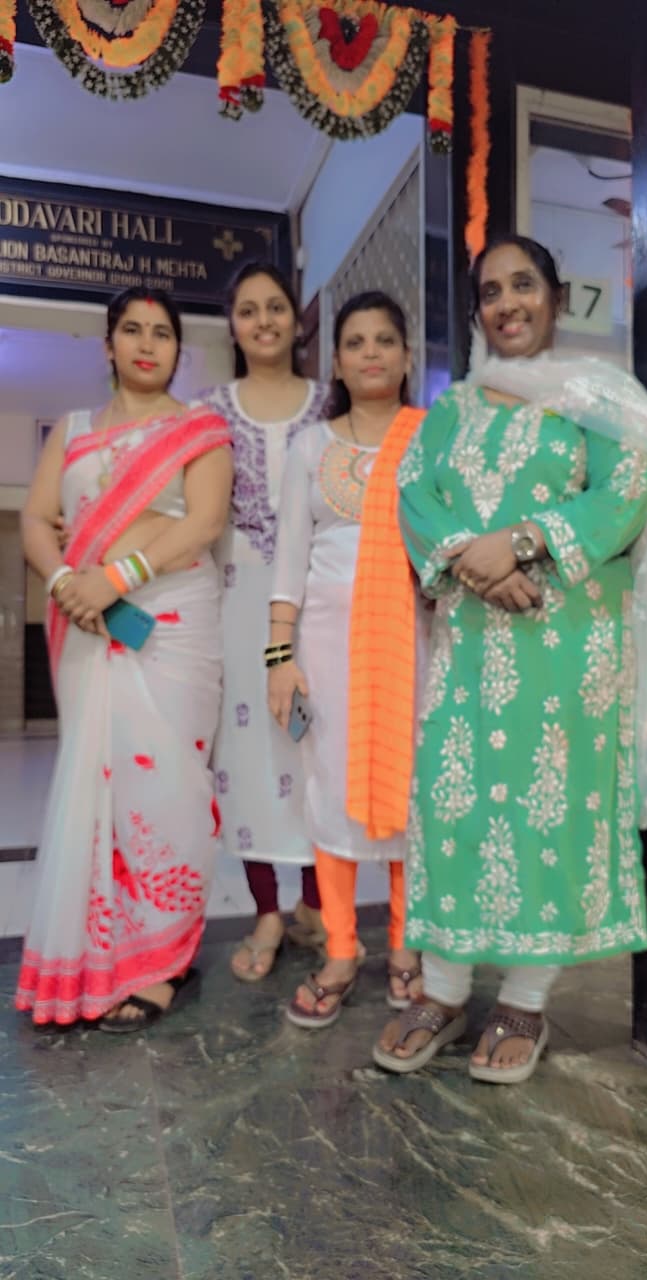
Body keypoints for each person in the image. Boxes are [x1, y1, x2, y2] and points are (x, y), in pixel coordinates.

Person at [374, 235, 647, 1080]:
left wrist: (521, 542)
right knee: (456, 804)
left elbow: (626, 495)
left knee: (546, 811)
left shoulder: (599, 399)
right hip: (472, 647)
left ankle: (525, 1000)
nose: (507, 303)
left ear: (555, 296)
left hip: (568, 649)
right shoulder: (451, 411)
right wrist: (472, 562)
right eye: (491, 292)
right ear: (477, 311)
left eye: (523, 285)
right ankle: (443, 991)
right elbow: (415, 496)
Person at [15, 287, 233, 1031]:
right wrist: (65, 583)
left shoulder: (198, 427)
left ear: (178, 349)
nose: (147, 343)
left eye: (162, 333)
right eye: (132, 331)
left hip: (171, 624)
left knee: (166, 785)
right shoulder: (72, 430)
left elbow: (204, 521)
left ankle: (163, 960)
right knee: (95, 784)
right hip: (85, 621)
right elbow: (36, 519)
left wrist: (116, 577)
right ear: (108, 345)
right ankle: (94, 953)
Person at [268, 291, 427, 1027]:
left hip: (413, 642)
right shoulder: (311, 447)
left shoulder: (429, 440)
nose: (371, 353)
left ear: (406, 356)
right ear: (335, 361)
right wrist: (280, 655)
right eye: (356, 342)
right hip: (326, 649)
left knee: (409, 789)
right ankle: (340, 947)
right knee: (328, 789)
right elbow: (290, 560)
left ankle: (404, 946)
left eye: (385, 340)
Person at [197, 262, 327, 981]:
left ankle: (316, 904)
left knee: (312, 743)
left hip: (317, 601)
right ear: (233, 324)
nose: (264, 321)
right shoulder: (209, 410)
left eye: (275, 307)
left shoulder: (328, 403)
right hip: (237, 597)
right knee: (247, 755)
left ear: (296, 320)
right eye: (248, 310)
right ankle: (267, 911)